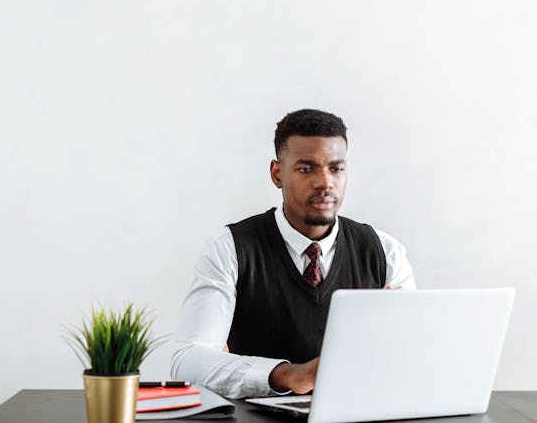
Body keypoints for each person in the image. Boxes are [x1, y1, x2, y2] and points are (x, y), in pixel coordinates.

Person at [170, 109, 416, 399]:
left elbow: (413, 356)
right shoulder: (230, 249)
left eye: (336, 168)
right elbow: (187, 360)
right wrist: (285, 375)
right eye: (306, 168)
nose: (325, 183)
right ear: (277, 174)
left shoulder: (385, 252)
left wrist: (398, 340)